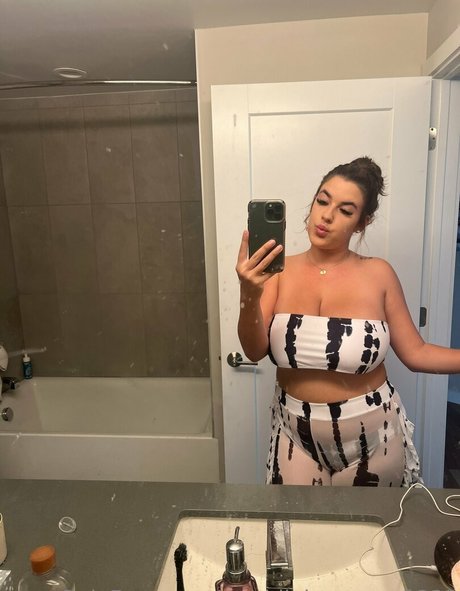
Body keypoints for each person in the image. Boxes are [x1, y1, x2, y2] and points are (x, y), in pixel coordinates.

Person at [236, 156, 460, 487]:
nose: (326, 216)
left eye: (345, 210)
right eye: (322, 201)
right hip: (295, 435)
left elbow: (417, 353)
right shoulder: (276, 272)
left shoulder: (379, 274)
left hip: (373, 440)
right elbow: (254, 350)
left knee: (368, 522)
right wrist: (249, 293)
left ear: (361, 223)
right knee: (296, 521)